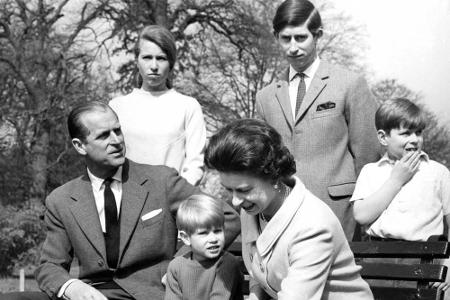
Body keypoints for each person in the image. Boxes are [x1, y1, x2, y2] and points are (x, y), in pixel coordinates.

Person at [2, 101, 239, 300]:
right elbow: (50, 266)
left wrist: (182, 264)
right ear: (79, 146)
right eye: (104, 135)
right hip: (92, 294)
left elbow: (227, 218)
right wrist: (72, 287)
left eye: (118, 130)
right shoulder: (61, 200)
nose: (116, 140)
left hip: (152, 294)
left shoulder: (161, 181)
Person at [204, 118, 373, 300]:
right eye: (228, 189)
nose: (235, 201)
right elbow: (259, 270)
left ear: (274, 176)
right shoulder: (250, 210)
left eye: (244, 190)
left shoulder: (312, 225)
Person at [255, 0, 380, 240]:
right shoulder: (265, 97)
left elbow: (368, 153)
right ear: (276, 37)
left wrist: (363, 209)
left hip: (338, 211)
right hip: (283, 212)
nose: (293, 47)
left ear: (317, 35)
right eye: (285, 38)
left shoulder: (349, 84)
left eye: (301, 38)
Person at [351, 99, 450, 268]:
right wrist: (396, 180)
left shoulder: (437, 172)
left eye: (418, 132)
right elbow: (362, 216)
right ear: (383, 137)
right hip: (378, 257)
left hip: (425, 258)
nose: (414, 139)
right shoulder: (371, 171)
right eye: (405, 133)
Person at [109, 25, 206, 186]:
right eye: (147, 57)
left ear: (171, 63)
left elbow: (195, 164)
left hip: (172, 200)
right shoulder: (117, 106)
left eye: (161, 58)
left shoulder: (188, 106)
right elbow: (108, 158)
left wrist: (174, 195)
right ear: (137, 60)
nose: (154, 66)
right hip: (127, 200)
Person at [164, 194, 243, 300]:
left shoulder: (227, 263)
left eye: (218, 231)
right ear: (186, 237)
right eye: (204, 233)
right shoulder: (176, 266)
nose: (213, 239)